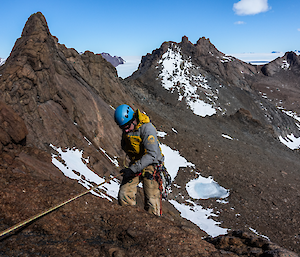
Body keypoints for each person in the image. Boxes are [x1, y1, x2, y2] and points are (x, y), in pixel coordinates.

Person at [114, 104, 164, 216]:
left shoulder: (147, 128)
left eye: (127, 127)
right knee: (124, 193)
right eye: (123, 128)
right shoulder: (128, 129)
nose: (126, 131)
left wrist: (133, 169)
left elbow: (151, 154)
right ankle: (129, 217)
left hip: (152, 162)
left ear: (133, 120)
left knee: (151, 193)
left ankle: (153, 220)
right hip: (137, 161)